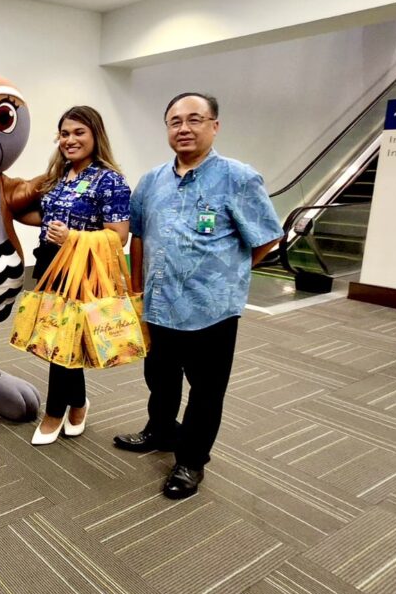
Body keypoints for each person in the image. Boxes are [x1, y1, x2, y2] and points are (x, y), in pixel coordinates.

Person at [114, 93, 282, 499]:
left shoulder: (238, 178)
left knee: (206, 391)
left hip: (211, 310)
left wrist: (230, 272)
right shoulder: (151, 181)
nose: (183, 129)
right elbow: (137, 237)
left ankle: (191, 460)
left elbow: (266, 238)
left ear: (214, 126)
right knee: (160, 379)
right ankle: (160, 430)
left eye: (194, 120)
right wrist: (136, 289)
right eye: (174, 121)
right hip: (158, 304)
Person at [21, 106, 130, 445]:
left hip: (84, 269)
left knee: (61, 340)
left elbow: (119, 237)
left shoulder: (109, 180)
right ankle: (79, 403)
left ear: (95, 135)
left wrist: (73, 237)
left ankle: (55, 412)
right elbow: (41, 214)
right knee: (61, 337)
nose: (70, 140)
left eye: (78, 132)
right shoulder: (58, 175)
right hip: (50, 264)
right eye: (65, 133)